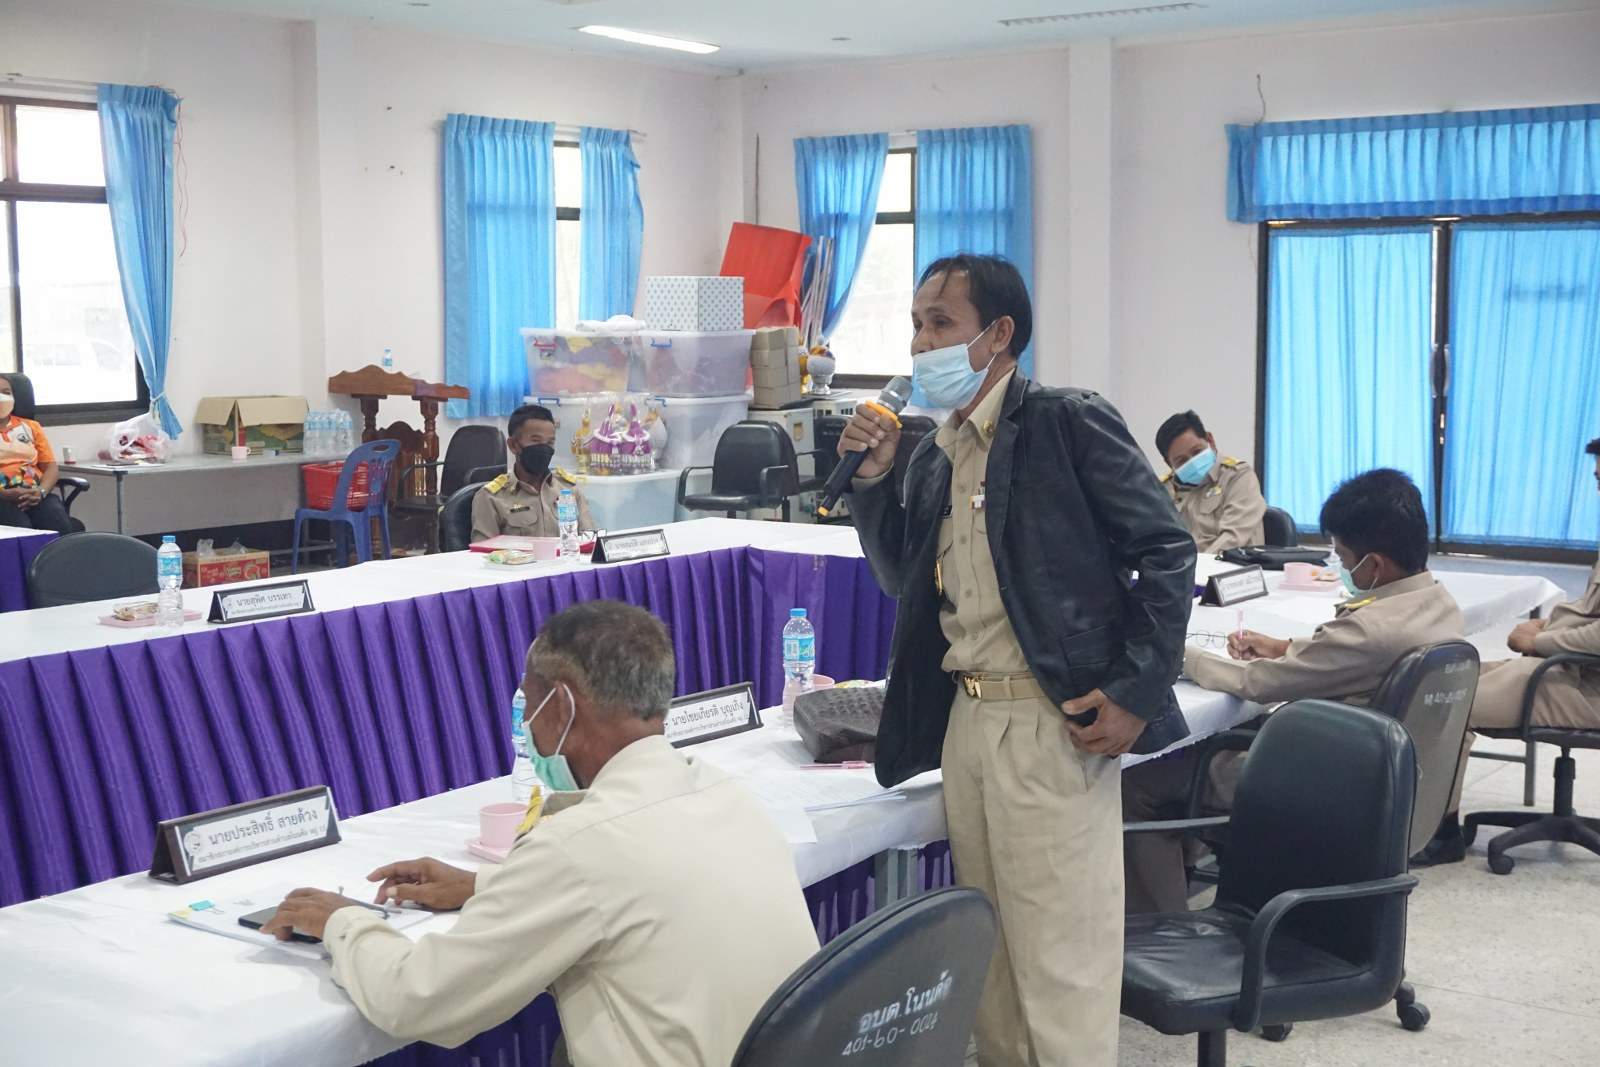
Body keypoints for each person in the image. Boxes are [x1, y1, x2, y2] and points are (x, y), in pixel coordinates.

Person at [842, 253, 1195, 1067]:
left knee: (1059, 958)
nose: (920, 342)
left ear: (998, 333)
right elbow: (902, 578)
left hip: (1049, 718)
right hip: (967, 721)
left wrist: (1137, 688)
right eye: (916, 324)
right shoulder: (934, 453)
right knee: (993, 964)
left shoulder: (1064, 422)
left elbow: (1167, 548)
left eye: (941, 323)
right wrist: (875, 479)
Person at [262, 601, 819, 1062]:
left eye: (528, 703)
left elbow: (417, 1000)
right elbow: (642, 889)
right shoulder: (723, 792)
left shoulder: (578, 846)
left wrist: (342, 922)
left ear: (561, 707)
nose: (526, 723)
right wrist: (485, 886)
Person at [1122, 468, 1465, 912]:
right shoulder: (1438, 602)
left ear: (1375, 564)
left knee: (1140, 780)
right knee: (1196, 753)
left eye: (1343, 554)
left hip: (1322, 780)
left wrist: (1177, 652)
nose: (1340, 564)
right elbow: (1354, 659)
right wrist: (1285, 647)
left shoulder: (1370, 630)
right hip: (1379, 776)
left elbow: (1256, 683)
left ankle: (1162, 932)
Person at [1419, 436, 1600, 865]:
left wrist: (1539, 640)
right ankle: (1426, 820)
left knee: (1446, 702)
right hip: (1572, 671)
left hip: (1585, 686)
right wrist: (1550, 624)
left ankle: (1436, 834)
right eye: (1597, 480)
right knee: (1443, 679)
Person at [470, 404, 594, 542]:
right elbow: (482, 551)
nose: (544, 448)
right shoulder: (491, 498)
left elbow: (589, 540)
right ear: (513, 445)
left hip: (565, 556)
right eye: (536, 441)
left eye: (550, 443)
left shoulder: (569, 490)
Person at [1156, 409, 1266, 553]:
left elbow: (1233, 538)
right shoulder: (1163, 489)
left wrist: (1198, 566)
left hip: (1229, 564)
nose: (1193, 463)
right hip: (1181, 564)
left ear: (1210, 440)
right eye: (1182, 460)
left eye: (1197, 452)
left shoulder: (1237, 476)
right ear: (1169, 463)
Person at [0, 378, 72, 535]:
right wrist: (3, 494)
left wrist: (41, 491)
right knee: (20, 529)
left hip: (36, 493)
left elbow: (50, 467)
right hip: (2, 497)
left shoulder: (31, 427)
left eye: (6, 392)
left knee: (57, 523)